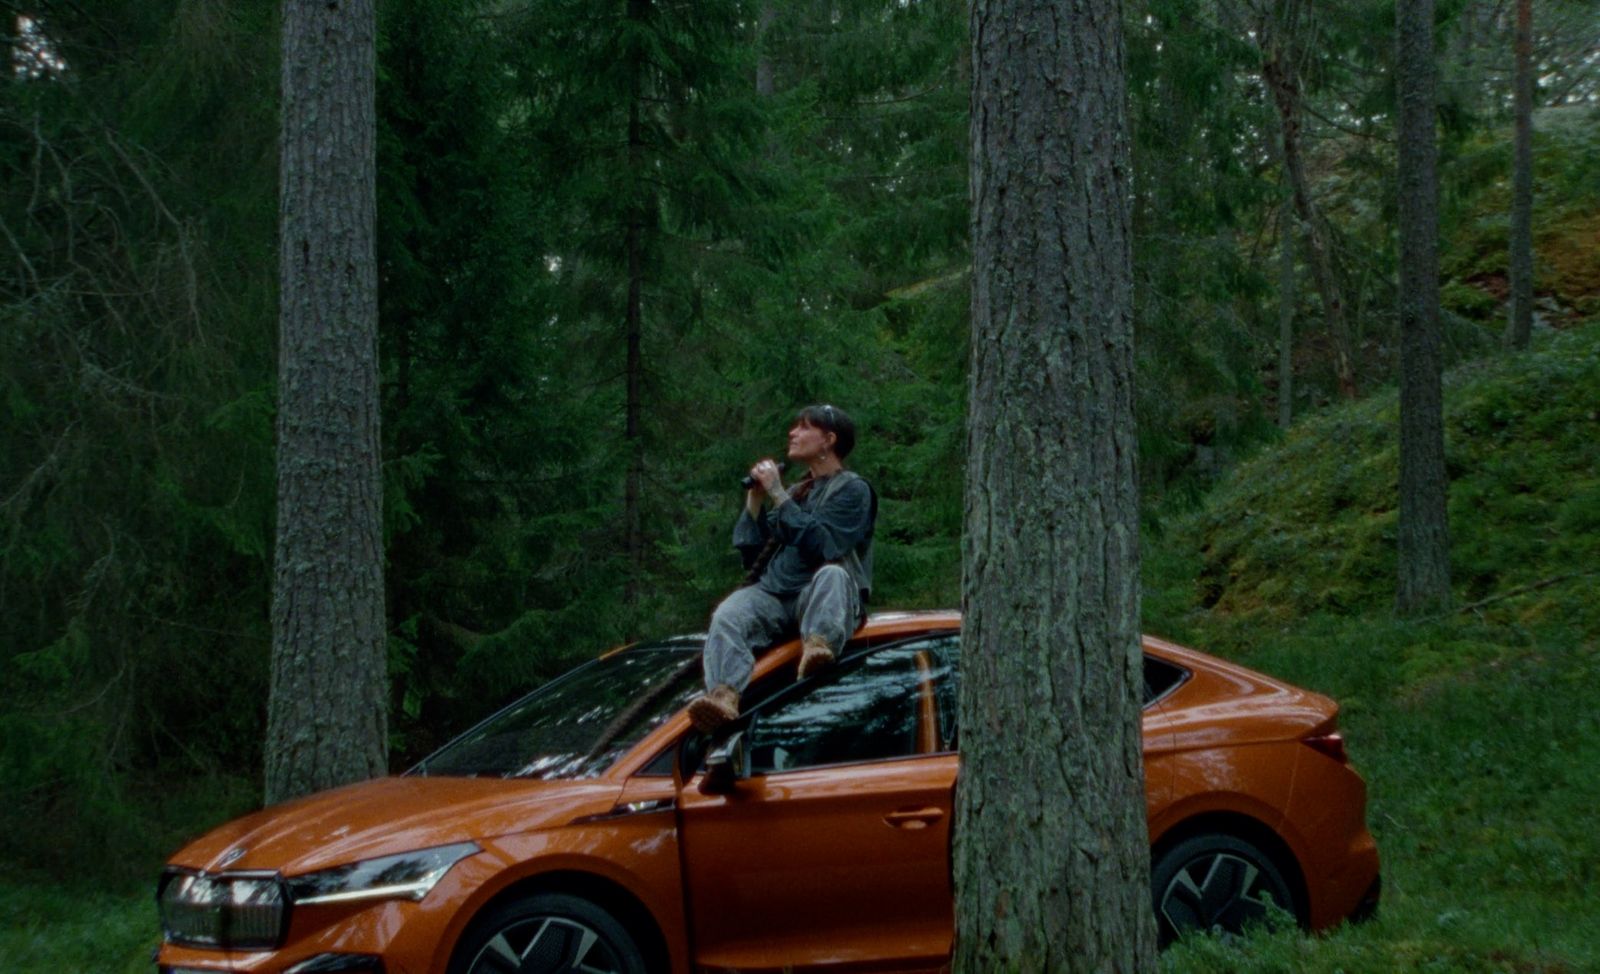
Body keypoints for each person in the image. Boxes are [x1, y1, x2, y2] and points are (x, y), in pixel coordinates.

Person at [687, 404, 876, 732]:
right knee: (728, 614)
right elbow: (754, 557)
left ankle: (820, 645)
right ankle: (723, 696)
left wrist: (777, 493)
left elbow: (825, 545)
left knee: (832, 574)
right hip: (776, 597)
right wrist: (757, 501)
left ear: (829, 440)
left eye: (803, 428)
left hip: (820, 597)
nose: (793, 433)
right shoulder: (796, 493)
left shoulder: (853, 490)